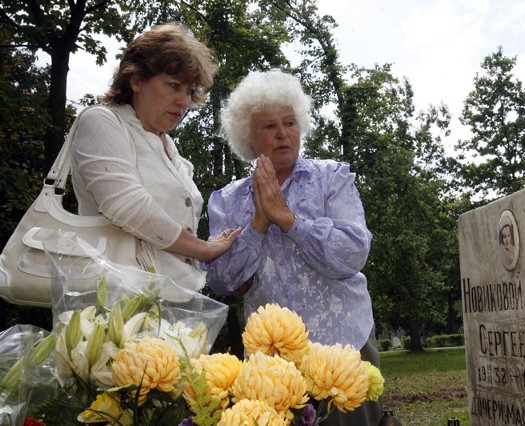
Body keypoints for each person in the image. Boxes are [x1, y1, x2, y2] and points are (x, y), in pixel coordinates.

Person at [202, 69, 382, 425]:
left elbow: (353, 252)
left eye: (289, 122)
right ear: (248, 138)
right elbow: (220, 279)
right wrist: (257, 224)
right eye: (269, 126)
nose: (283, 134)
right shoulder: (226, 200)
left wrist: (288, 219)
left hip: (343, 347)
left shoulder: (332, 177)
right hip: (272, 362)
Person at [71, 23, 240, 292]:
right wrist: (204, 250)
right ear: (136, 80)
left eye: (188, 90)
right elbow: (128, 206)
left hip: (174, 303)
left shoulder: (170, 148)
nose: (184, 101)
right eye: (173, 85)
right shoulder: (102, 120)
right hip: (116, 303)